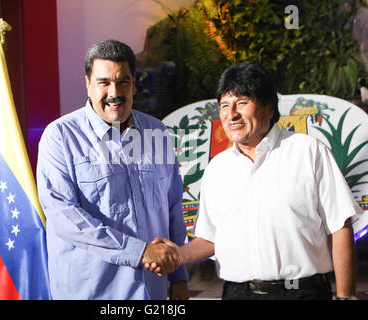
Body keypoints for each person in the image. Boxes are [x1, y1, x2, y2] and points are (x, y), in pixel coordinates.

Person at [148, 61, 362, 300]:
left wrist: (346, 296)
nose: (232, 115)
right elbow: (210, 239)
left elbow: (340, 226)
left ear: (269, 108)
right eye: (225, 105)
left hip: (302, 293)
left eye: (242, 102)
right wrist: (178, 254)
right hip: (238, 293)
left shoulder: (308, 152)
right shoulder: (217, 169)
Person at [36, 39, 189, 300]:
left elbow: (173, 208)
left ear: (134, 83)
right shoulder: (60, 136)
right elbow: (63, 217)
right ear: (88, 83)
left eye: (123, 81)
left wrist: (179, 277)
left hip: (154, 291)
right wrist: (138, 252)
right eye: (104, 82)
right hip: (92, 292)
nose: (114, 92)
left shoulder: (157, 132)